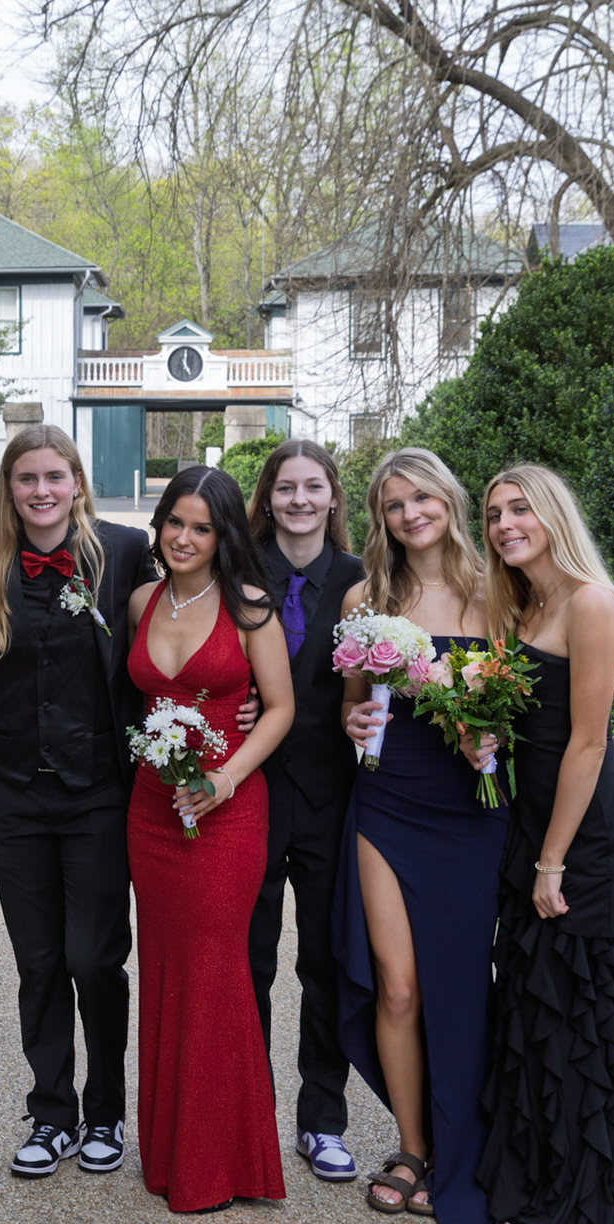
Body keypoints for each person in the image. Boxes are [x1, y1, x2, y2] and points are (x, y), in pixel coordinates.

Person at [473, 464, 614, 1224]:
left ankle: (579, 1208)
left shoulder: (593, 601)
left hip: (590, 852)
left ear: (554, 514)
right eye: (494, 513)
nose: (505, 524)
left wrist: (552, 863)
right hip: (539, 837)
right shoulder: (523, 605)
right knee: (536, 1023)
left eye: (520, 509)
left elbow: (589, 745)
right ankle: (535, 1181)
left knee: (586, 1034)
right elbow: (542, 727)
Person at [0, 424, 158, 1179]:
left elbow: (181, 625)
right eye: (26, 478)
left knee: (95, 958)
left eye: (54, 476)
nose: (41, 490)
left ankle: (105, 1111)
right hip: (12, 794)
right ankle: (51, 1113)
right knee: (38, 960)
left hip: (98, 790)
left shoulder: (124, 553)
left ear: (77, 482)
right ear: (9, 487)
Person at [330, 447, 508, 1224]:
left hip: (472, 809)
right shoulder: (367, 597)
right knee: (397, 986)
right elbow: (351, 703)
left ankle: (462, 1152)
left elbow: (542, 697)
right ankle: (410, 1148)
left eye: (421, 498)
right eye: (394, 505)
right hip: (387, 800)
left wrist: (607, 746)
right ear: (381, 518)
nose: (410, 514)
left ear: (448, 499)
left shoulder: (499, 590)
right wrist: (351, 719)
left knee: (460, 987)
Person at [126, 465, 292, 1213]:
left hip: (227, 810)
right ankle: (169, 1152)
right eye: (175, 522)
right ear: (159, 524)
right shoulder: (142, 601)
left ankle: (223, 1163)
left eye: (203, 527)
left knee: (215, 965)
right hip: (152, 811)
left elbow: (280, 708)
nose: (185, 538)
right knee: (165, 965)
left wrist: (225, 777)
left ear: (225, 535)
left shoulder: (251, 609)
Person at [242, 439, 365, 1185]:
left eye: (312, 487)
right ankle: (250, 1115)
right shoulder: (236, 571)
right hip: (249, 794)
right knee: (248, 961)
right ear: (268, 498)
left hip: (330, 796)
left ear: (332, 497)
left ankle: (322, 1118)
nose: (299, 500)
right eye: (285, 488)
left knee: (325, 961)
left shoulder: (361, 580)